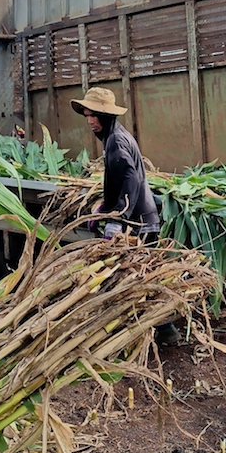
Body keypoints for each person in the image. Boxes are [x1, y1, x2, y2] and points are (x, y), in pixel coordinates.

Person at [70, 87, 176, 343]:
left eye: (94, 115)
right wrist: (105, 208)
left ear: (106, 116)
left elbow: (130, 177)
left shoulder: (116, 140)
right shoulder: (115, 136)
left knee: (135, 277)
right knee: (142, 276)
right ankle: (163, 331)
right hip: (141, 217)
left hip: (136, 223)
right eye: (87, 115)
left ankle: (158, 331)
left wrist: (117, 220)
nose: (90, 121)